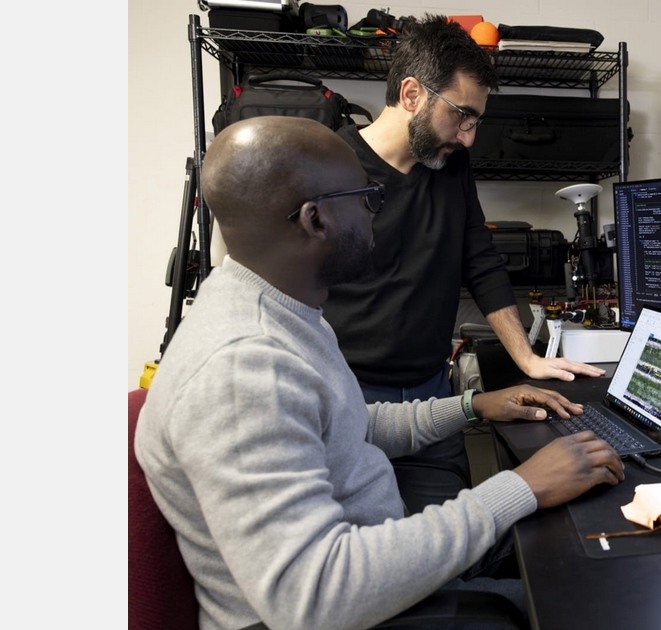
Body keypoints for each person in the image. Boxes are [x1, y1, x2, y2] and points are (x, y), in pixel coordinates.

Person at [134, 115, 625, 630]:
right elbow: (315, 597)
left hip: (371, 568)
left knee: (570, 544)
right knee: (601, 603)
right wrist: (522, 487)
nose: (377, 213)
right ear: (316, 220)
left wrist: (473, 406)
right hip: (346, 609)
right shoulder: (243, 367)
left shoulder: (279, 308)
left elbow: (351, 426)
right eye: (367, 198)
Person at [322, 13, 606, 511]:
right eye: (461, 116)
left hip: (434, 393)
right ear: (412, 94)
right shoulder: (332, 167)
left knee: (456, 551)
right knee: (383, 555)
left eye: (476, 121)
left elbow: (481, 262)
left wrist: (527, 360)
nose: (469, 137)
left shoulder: (451, 165)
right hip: (350, 397)